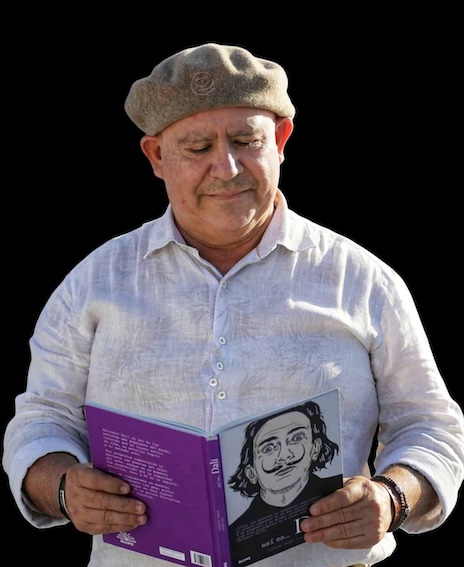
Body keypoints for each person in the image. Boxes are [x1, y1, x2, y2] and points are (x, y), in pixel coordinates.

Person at [2, 42, 464, 567]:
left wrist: (393, 497)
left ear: (281, 140)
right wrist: (63, 487)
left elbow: (430, 425)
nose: (226, 168)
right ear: (156, 156)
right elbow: (42, 421)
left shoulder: (361, 281)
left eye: (247, 141)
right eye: (197, 148)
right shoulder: (94, 283)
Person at [227, 400, 342, 563]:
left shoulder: (341, 495)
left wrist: (381, 490)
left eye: (296, 438)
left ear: (315, 448)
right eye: (268, 448)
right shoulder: (232, 535)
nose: (284, 455)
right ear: (251, 472)